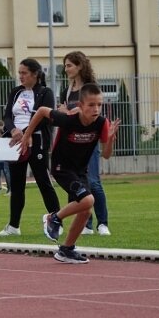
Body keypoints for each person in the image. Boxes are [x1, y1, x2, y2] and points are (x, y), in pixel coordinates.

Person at [20, 83, 120, 264]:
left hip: (80, 170)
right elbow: (42, 110)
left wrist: (110, 139)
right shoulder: (68, 119)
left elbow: (105, 155)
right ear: (80, 106)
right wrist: (27, 135)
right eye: (91, 105)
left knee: (85, 210)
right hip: (61, 167)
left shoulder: (101, 123)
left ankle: (66, 250)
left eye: (99, 104)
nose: (96, 109)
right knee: (88, 200)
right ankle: (53, 217)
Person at [0, 58, 60, 237]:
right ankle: (13, 226)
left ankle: (57, 220)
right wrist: (13, 130)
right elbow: (7, 115)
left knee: (43, 181)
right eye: (20, 73)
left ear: (35, 74)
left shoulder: (45, 93)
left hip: (36, 141)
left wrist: (25, 133)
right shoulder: (16, 92)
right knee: (16, 185)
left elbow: (45, 118)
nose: (20, 76)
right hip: (15, 142)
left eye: (24, 73)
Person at [59, 51, 111, 236]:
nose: (66, 69)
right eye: (65, 66)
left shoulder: (90, 87)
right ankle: (85, 224)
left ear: (79, 66)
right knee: (76, 184)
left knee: (94, 182)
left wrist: (71, 112)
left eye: (69, 65)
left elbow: (93, 111)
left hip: (89, 140)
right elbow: (62, 112)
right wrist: (65, 112)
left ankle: (102, 223)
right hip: (72, 143)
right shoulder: (66, 90)